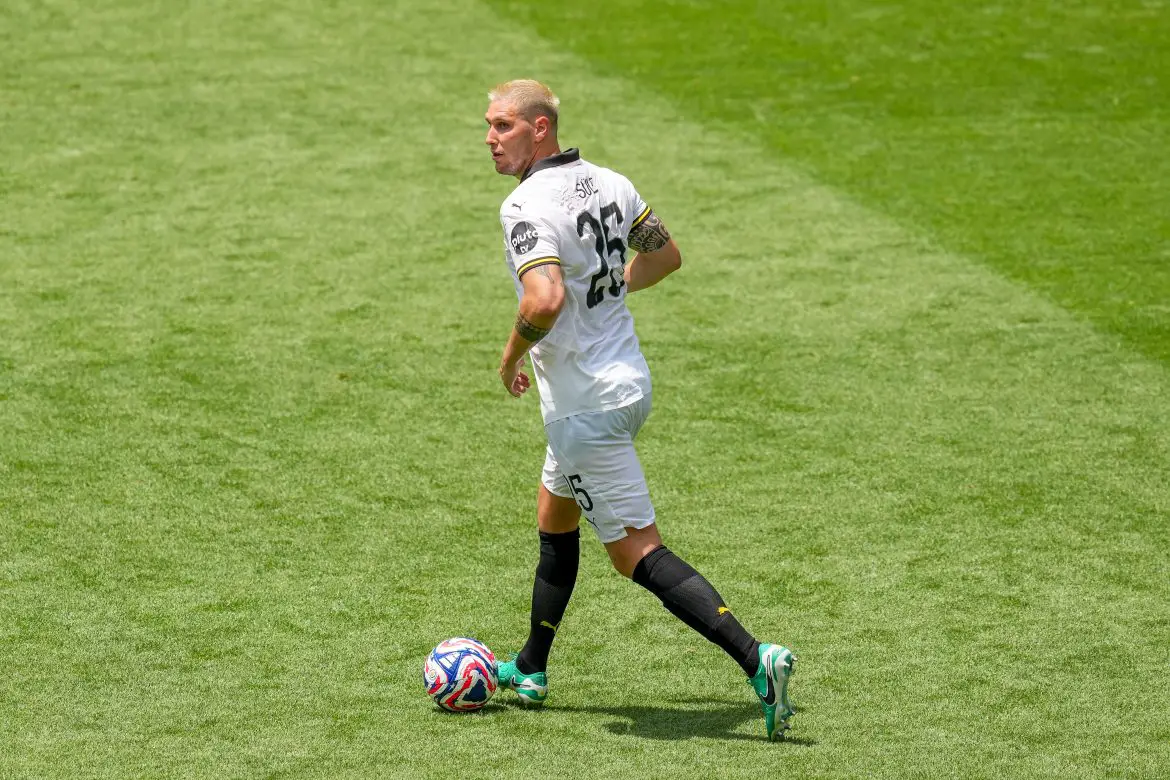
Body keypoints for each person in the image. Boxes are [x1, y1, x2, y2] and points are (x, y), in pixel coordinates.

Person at [483, 79, 796, 739]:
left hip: (584, 407)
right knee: (555, 511)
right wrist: (612, 292)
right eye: (487, 126)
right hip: (626, 385)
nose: (490, 139)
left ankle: (756, 658)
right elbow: (665, 256)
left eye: (504, 126)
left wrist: (511, 357)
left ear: (542, 127)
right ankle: (533, 668)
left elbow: (542, 301)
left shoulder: (525, 207)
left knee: (635, 554)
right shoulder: (611, 183)